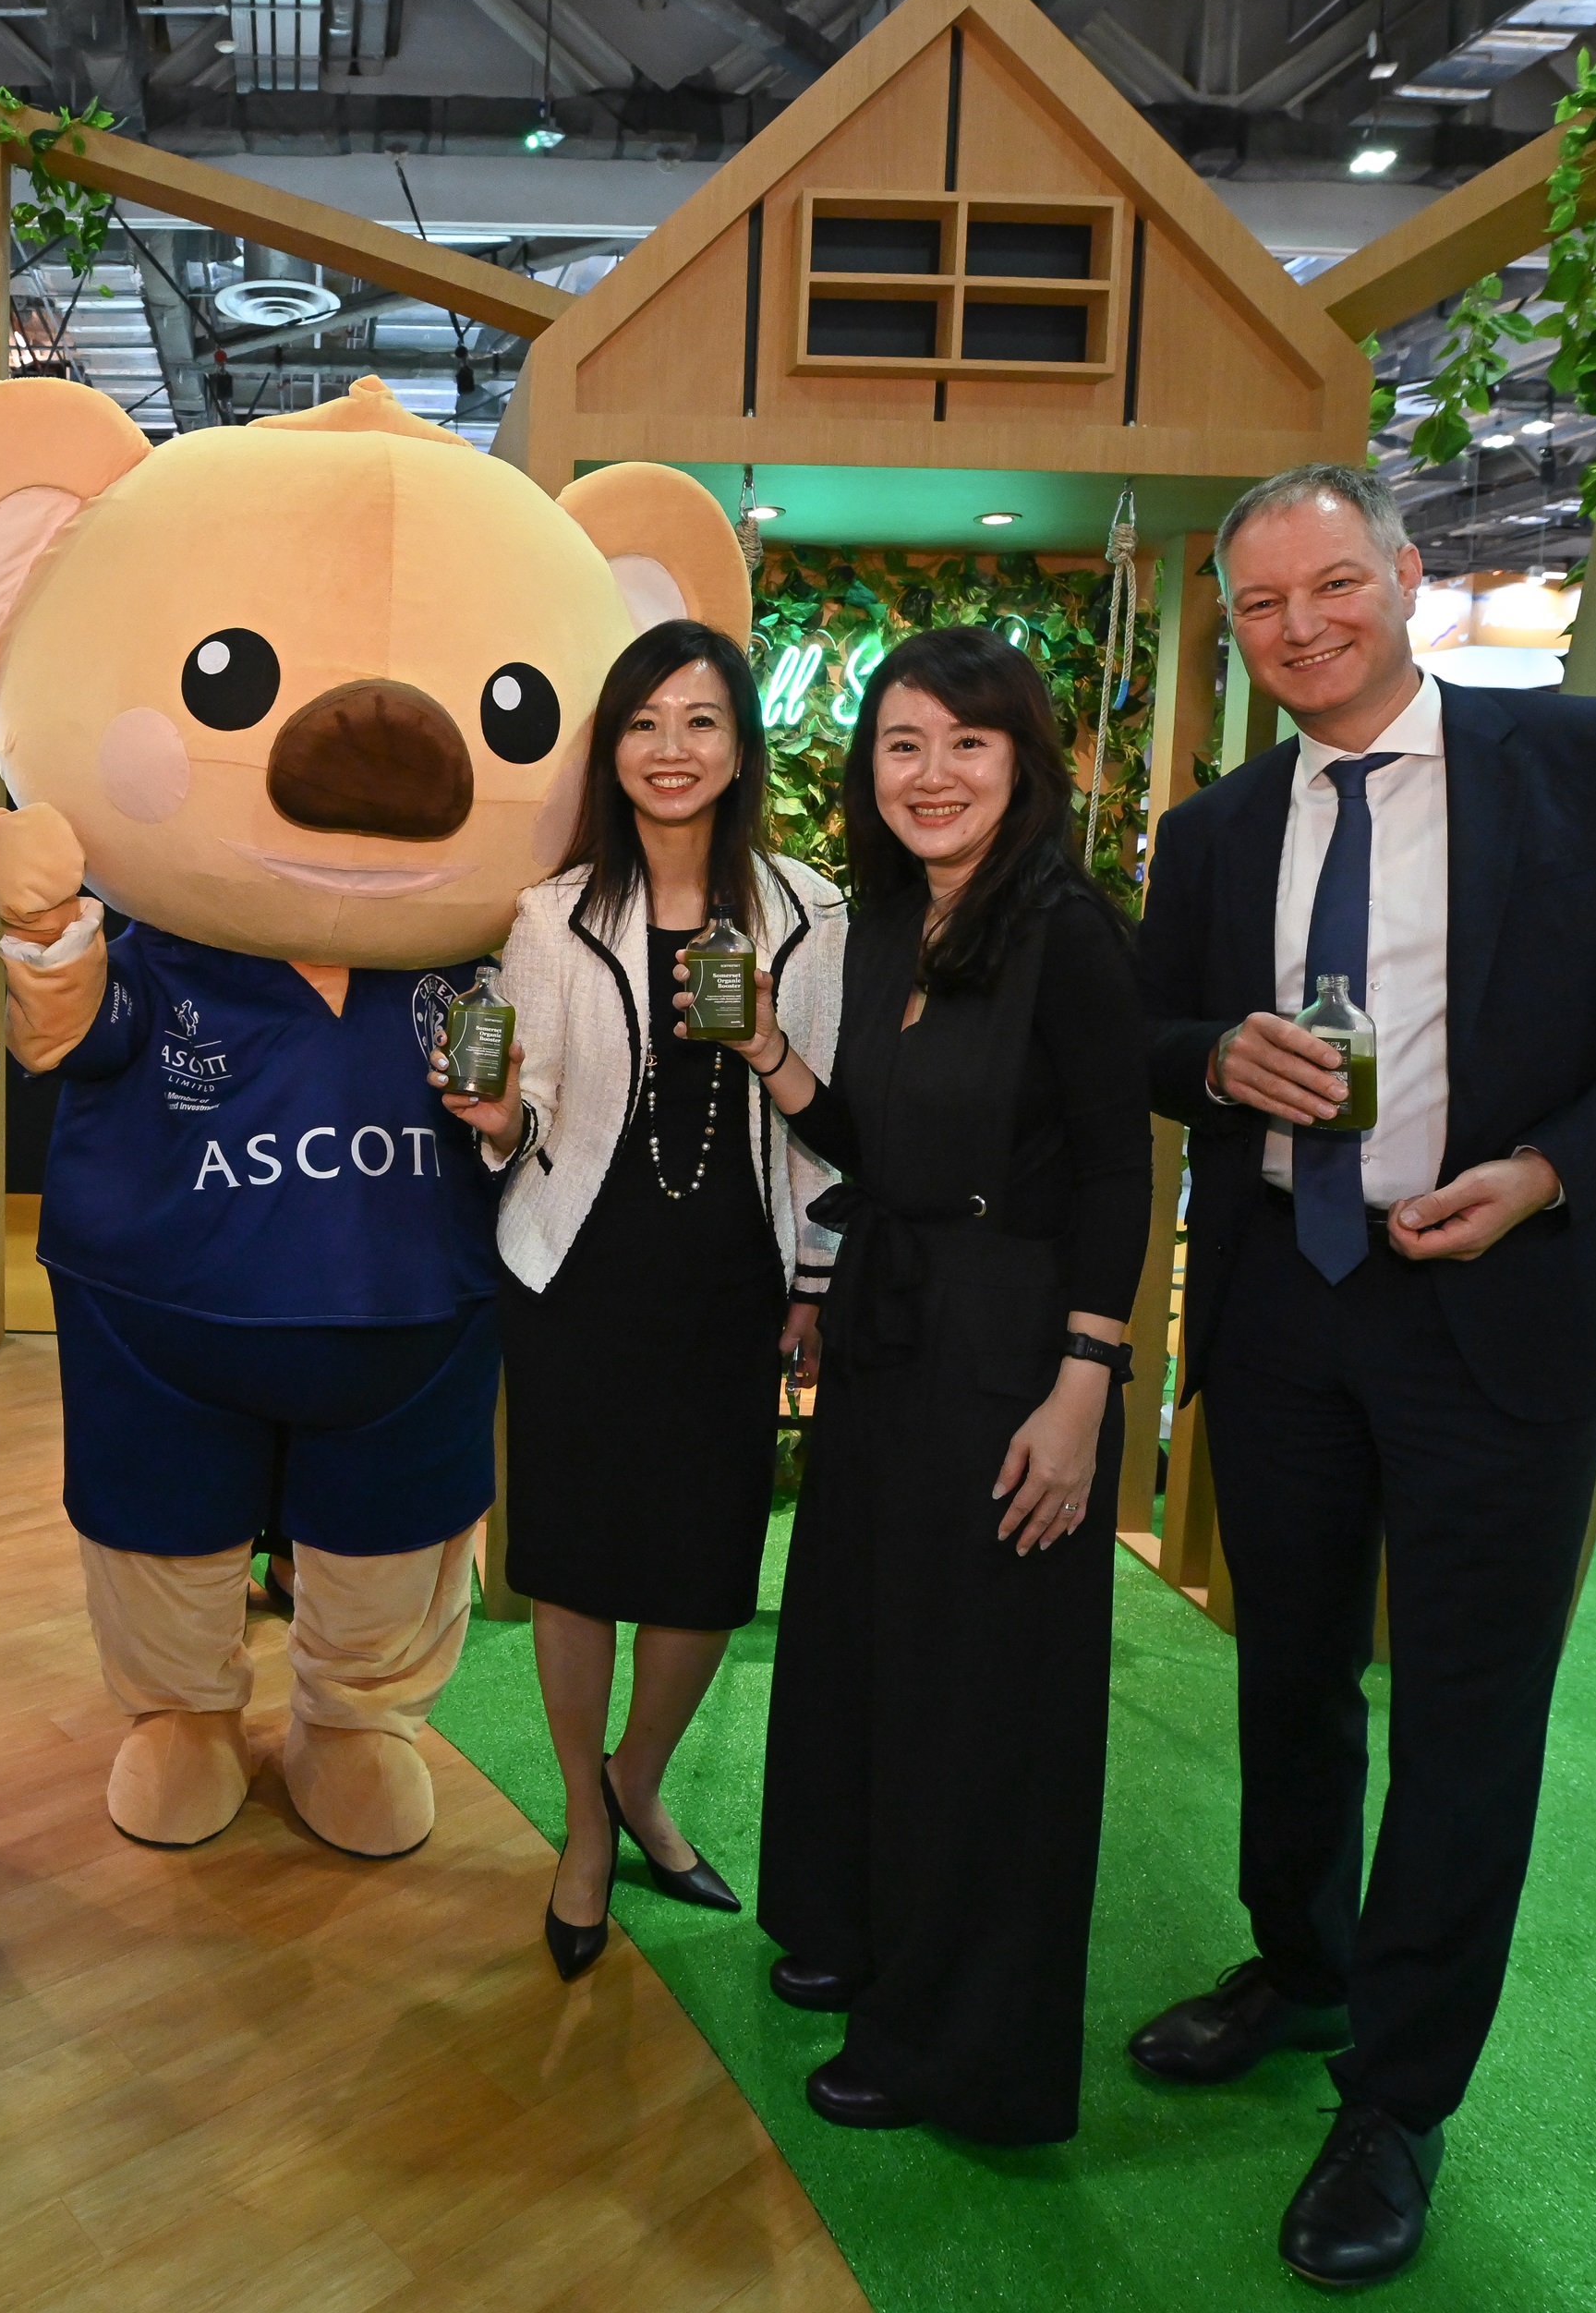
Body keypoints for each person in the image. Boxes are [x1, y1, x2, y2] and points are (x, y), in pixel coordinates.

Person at [1132, 464, 1596, 2286]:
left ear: (1408, 576)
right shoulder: (1217, 830)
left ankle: (1397, 2093)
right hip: (1284, 1307)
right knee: (1285, 1666)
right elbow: (1150, 1032)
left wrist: (1557, 1168)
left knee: (1468, 1719)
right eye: (1264, 604)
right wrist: (1215, 1058)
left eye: (1334, 583)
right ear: (1235, 619)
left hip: (1503, 1315)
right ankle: (1299, 1954)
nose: (1302, 626)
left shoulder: (1587, 763)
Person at [713, 626, 1153, 2142]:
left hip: (1016, 1342)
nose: (933, 773)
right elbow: (887, 1149)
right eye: (902, 745)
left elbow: (1116, 1167)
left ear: (1022, 759)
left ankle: (958, 2037)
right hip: (895, 1328)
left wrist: (1085, 1378)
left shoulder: (1066, 930)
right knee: (864, 1639)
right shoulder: (893, 921)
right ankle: (854, 1924)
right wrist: (774, 1057)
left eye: (966, 743)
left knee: (982, 1692)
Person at [441, 618, 847, 1980]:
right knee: (571, 1564)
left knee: (704, 1574)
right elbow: (527, 1102)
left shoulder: (810, 914)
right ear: (611, 751)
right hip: (577, 1278)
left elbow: (829, 1126)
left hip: (733, 1285)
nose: (670, 751)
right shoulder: (553, 917)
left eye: (699, 722)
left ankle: (639, 1778)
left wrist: (814, 1283)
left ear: (740, 748)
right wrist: (494, 1117)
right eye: (643, 724)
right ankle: (580, 1822)